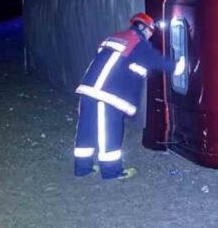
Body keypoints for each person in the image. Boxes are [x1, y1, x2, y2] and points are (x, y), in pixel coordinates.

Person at [73, 12, 176, 180]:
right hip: (106, 95)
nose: (150, 36)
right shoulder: (137, 41)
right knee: (109, 133)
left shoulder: (115, 37)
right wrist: (176, 66)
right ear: (144, 28)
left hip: (89, 90)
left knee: (87, 130)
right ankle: (111, 172)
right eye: (150, 32)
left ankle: (82, 168)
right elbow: (155, 60)